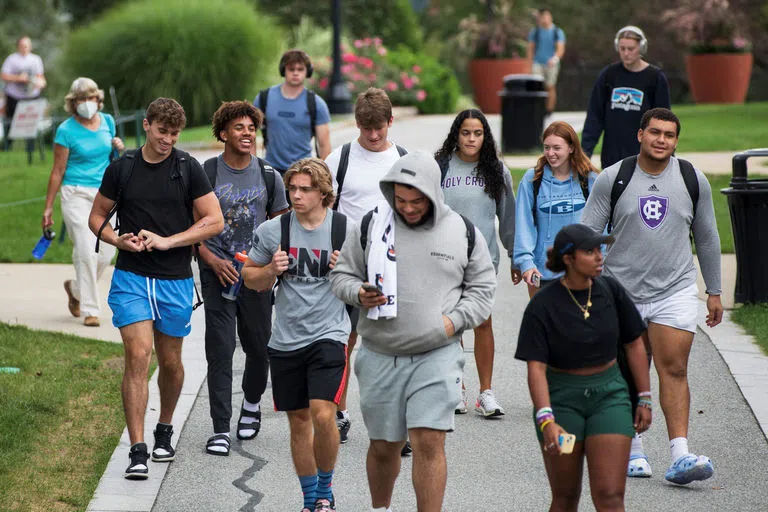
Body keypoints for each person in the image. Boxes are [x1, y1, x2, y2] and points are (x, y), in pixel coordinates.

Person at [330, 151, 497, 512]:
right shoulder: (370, 226)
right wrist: (357, 292)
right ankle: (381, 508)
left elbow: (483, 289)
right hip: (379, 353)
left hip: (437, 354)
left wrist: (452, 323)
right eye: (400, 200)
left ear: (434, 193)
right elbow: (341, 276)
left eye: (416, 200)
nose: (407, 208)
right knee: (384, 445)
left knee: (428, 441)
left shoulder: (462, 230)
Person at [582, 107, 723, 484]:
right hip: (621, 291)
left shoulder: (692, 179)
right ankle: (634, 448)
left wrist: (714, 291)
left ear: (676, 140)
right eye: (655, 132)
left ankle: (680, 453)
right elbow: (587, 233)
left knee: (674, 368)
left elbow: (707, 237)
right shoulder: (613, 178)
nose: (662, 140)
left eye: (669, 135)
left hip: (674, 289)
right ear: (640, 134)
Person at [88, 98, 224, 480]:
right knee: (138, 355)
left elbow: (214, 221)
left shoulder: (187, 168)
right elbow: (96, 216)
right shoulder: (123, 169)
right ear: (146, 125)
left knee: (170, 361)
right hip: (130, 278)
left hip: (175, 280)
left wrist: (169, 241)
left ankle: (165, 427)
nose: (168, 140)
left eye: (175, 134)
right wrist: (117, 241)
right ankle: (137, 448)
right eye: (162, 131)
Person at [515, 223, 652, 512]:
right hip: (563, 404)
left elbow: (634, 344)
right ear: (569, 259)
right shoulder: (543, 305)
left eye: (599, 250)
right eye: (589, 252)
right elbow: (536, 368)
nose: (599, 257)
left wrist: (644, 397)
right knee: (565, 496)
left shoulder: (611, 291)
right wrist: (546, 420)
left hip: (610, 398)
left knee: (610, 495)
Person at [242, 158, 351, 512]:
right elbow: (249, 278)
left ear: (323, 194)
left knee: (323, 414)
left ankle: (325, 492)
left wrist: (345, 272)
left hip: (330, 334)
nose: (297, 195)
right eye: (293, 189)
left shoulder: (344, 230)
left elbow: (367, 284)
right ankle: (309, 499)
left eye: (305, 189)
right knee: (299, 421)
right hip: (286, 339)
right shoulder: (274, 230)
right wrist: (271, 270)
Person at [198, 101, 289, 456]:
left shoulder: (269, 175)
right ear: (223, 134)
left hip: (255, 275)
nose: (247, 133)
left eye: (251, 127)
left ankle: (251, 406)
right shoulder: (206, 173)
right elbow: (193, 228)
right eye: (239, 127)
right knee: (219, 350)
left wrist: (269, 268)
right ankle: (220, 428)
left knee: (258, 346)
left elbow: (282, 225)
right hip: (216, 274)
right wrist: (210, 259)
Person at [325, 87, 406, 443]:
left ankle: (394, 423)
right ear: (357, 124)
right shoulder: (338, 159)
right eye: (365, 128)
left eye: (380, 128)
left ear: (391, 122)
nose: (373, 136)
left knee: (393, 347)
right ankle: (337, 411)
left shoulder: (403, 161)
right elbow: (320, 212)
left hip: (393, 268)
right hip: (348, 266)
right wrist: (329, 251)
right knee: (344, 341)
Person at [435, 108, 517, 417]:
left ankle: (486, 392)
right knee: (452, 324)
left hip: (483, 261)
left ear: (486, 136)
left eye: (478, 133)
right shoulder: (440, 166)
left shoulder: (496, 169)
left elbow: (507, 217)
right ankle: (456, 386)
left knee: (483, 322)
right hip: (444, 259)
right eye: (466, 132)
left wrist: (515, 255)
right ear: (457, 134)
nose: (471, 138)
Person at [42, 77, 124, 327]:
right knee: (88, 251)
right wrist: (48, 207)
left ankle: (76, 290)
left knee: (106, 253)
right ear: (73, 102)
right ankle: (90, 309)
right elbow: (57, 170)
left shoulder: (108, 122)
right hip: (75, 193)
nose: (86, 103)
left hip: (105, 194)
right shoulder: (66, 130)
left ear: (98, 100)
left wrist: (117, 148)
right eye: (80, 99)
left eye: (90, 98)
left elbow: (111, 158)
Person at [514, 121, 600, 298]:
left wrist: (601, 261)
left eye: (556, 148)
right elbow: (524, 225)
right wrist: (526, 263)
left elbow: (601, 225)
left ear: (571, 148)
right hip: (543, 271)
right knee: (546, 324)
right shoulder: (532, 180)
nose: (550, 153)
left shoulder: (589, 179)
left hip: (581, 270)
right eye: (547, 147)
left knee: (580, 323)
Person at [581, 26, 671, 169]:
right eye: (622, 48)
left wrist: (667, 157)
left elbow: (664, 121)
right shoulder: (608, 75)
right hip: (612, 156)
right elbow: (594, 117)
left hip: (643, 155)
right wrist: (584, 153)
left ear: (641, 48)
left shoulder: (655, 77)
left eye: (631, 49)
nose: (626, 53)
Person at [254, 49, 331, 174]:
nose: (295, 73)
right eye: (291, 69)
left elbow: (324, 144)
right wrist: (253, 168)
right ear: (283, 70)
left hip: (304, 171)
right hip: (271, 170)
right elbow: (250, 135)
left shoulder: (316, 103)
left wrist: (325, 176)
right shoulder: (264, 98)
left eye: (300, 69)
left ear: (307, 72)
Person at [1, 36, 46, 148]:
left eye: (26, 45)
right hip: (14, 96)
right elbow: (4, 76)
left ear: (30, 46)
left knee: (31, 123)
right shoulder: (11, 59)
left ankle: (30, 150)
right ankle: (6, 147)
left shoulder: (36, 59)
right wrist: (19, 78)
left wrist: (40, 83)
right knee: (10, 123)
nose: (24, 48)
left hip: (32, 96)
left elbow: (40, 77)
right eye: (22, 46)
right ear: (18, 46)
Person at [527, 8, 565, 115]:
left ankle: (549, 110)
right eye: (541, 17)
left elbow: (560, 48)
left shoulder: (557, 32)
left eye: (545, 16)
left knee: (550, 86)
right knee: (536, 86)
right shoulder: (535, 32)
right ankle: (536, 109)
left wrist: (555, 58)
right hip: (538, 62)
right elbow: (530, 49)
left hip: (551, 63)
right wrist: (528, 65)